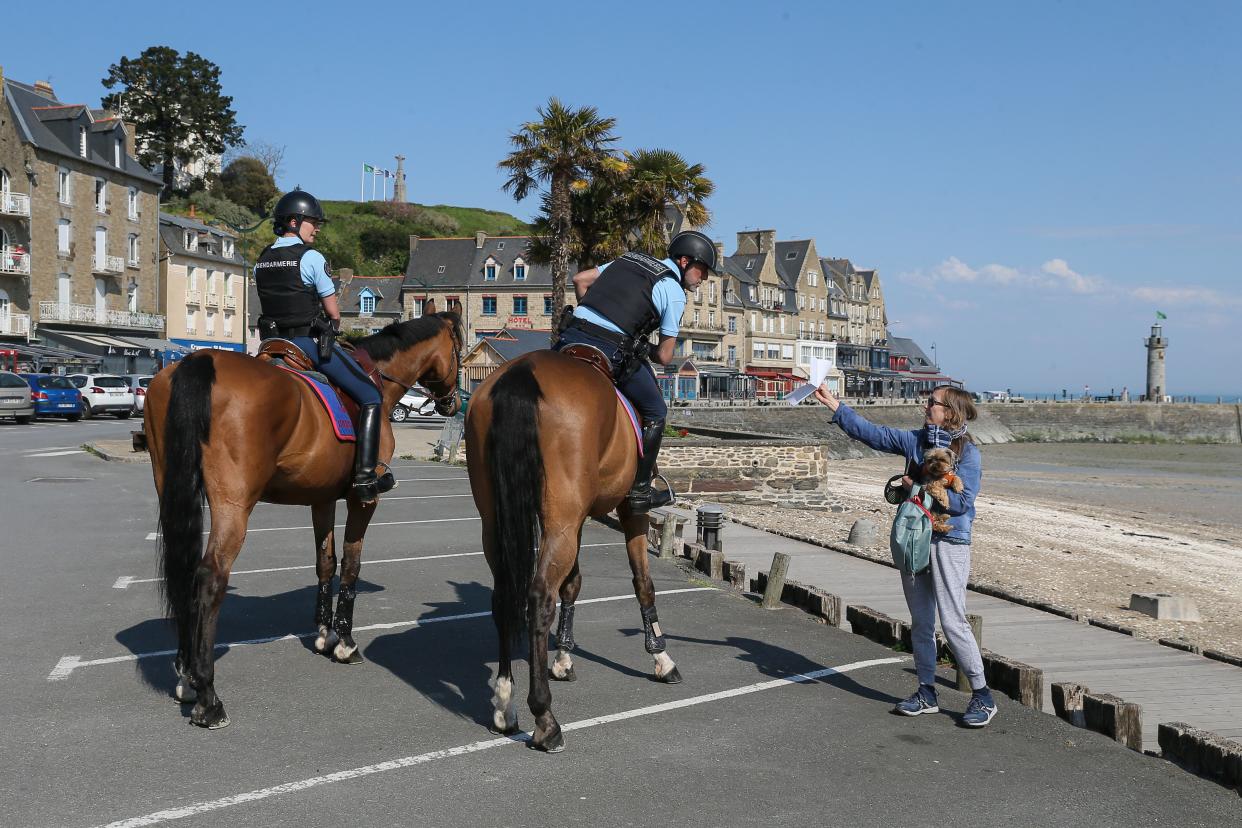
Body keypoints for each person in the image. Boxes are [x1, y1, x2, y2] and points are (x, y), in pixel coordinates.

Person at [813, 383, 997, 727]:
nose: (926, 407)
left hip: (950, 541)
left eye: (933, 403)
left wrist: (917, 490)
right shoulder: (915, 441)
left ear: (951, 412)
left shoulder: (968, 454)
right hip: (914, 538)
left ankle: (982, 696)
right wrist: (835, 407)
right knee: (922, 622)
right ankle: (926, 692)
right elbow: (873, 434)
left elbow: (961, 504)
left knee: (953, 621)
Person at [554, 230, 716, 513]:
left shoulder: (631, 258)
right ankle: (640, 491)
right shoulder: (674, 292)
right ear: (684, 261)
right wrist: (644, 348)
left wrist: (592, 316)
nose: (703, 278)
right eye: (702, 270)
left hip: (571, 336)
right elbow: (665, 357)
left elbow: (581, 281)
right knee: (656, 412)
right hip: (612, 350)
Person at [254, 188, 390, 504]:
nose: (316, 228)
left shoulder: (262, 259)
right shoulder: (311, 257)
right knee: (370, 395)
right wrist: (332, 325)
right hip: (305, 343)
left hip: (270, 344)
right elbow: (333, 313)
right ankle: (365, 476)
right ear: (293, 221)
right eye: (312, 222)